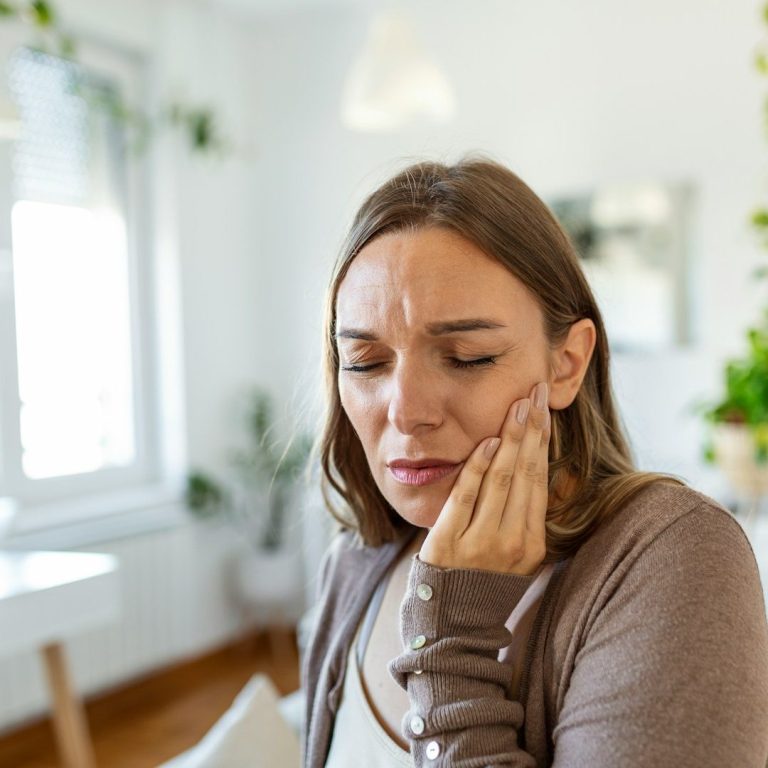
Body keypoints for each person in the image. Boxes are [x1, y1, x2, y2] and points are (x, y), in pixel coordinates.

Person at [300, 157, 768, 767]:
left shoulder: (673, 557)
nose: (407, 412)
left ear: (566, 364)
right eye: (365, 363)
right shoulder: (355, 560)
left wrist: (451, 643)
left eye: (467, 356)